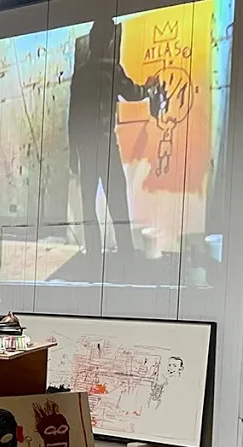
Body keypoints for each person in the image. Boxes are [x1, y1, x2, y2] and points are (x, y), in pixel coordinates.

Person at [68, 19, 159, 265]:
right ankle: (127, 255)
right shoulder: (112, 69)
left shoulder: (81, 74)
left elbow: (73, 116)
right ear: (108, 41)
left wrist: (73, 154)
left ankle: (94, 257)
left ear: (92, 41)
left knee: (88, 205)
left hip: (86, 148)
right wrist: (148, 87)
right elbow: (133, 93)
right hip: (107, 146)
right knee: (118, 202)